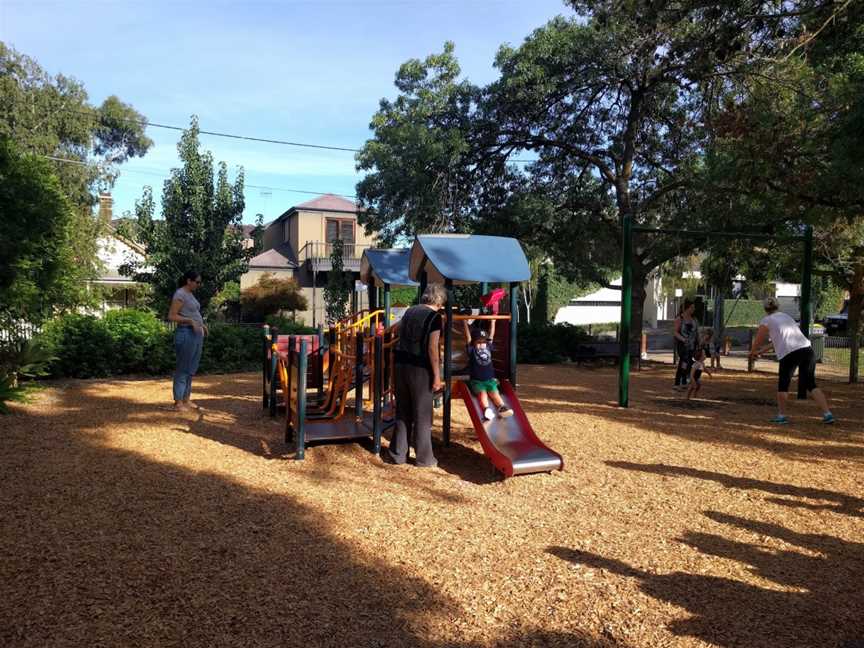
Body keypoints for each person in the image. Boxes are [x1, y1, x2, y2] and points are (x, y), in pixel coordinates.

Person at [386, 284, 447, 467]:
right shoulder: (434, 317)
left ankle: (398, 454)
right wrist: (437, 376)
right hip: (419, 369)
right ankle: (424, 459)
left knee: (403, 411)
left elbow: (394, 329)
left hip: (400, 365)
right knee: (422, 413)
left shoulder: (410, 311)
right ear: (440, 300)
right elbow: (432, 348)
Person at [749, 297, 834, 425]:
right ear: (778, 306)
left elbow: (759, 339)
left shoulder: (767, 320)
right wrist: (760, 352)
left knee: (783, 384)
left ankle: (782, 415)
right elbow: (779, 341)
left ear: (765, 309)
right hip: (807, 349)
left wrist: (752, 352)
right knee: (810, 383)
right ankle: (828, 414)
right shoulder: (786, 317)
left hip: (790, 353)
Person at [168, 270, 208, 411]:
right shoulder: (180, 294)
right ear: (188, 281)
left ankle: (186, 399)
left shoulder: (190, 295)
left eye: (199, 282)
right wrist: (190, 321)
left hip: (197, 335)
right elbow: (172, 316)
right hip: (186, 334)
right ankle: (178, 402)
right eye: (197, 281)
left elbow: (193, 313)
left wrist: (201, 325)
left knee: (191, 369)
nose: (199, 284)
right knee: (183, 368)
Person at [462, 318, 513, 420]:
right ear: (474, 343)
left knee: (495, 393)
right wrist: (464, 323)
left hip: (490, 380)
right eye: (478, 342)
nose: (482, 345)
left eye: (483, 342)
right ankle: (486, 409)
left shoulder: (488, 347)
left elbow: (491, 335)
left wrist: (493, 322)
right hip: (477, 381)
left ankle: (502, 408)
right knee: (483, 394)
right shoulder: (472, 350)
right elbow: (468, 337)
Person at [673, 299, 699, 390]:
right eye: (692, 307)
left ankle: (683, 382)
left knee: (688, 364)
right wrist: (683, 339)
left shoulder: (694, 320)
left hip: (692, 345)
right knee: (683, 362)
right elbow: (675, 332)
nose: (693, 309)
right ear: (687, 308)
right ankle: (677, 383)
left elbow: (696, 333)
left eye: (694, 307)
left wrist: (698, 343)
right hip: (683, 346)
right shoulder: (679, 319)